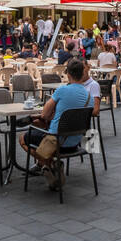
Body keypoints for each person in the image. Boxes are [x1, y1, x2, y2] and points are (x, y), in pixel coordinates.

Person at [18, 58, 93, 189]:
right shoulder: (89, 96)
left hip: (57, 142)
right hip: (75, 142)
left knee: (23, 138)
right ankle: (51, 165)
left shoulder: (62, 90)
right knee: (41, 127)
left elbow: (44, 115)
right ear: (82, 74)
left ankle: (49, 164)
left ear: (68, 74)